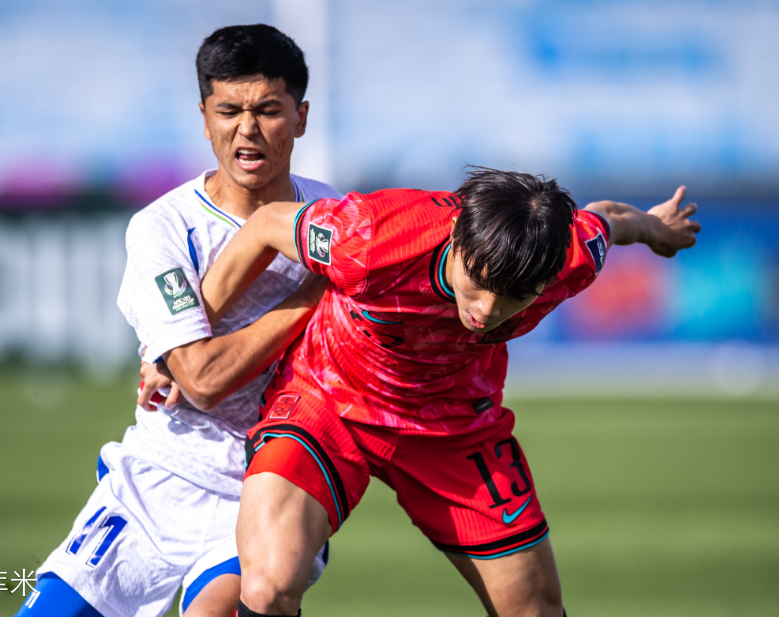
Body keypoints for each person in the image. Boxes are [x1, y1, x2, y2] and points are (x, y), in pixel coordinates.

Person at [197, 167, 701, 617]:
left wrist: (657, 228)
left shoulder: (569, 258)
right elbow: (265, 225)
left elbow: (608, 219)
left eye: (513, 298)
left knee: (535, 609)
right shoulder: (371, 236)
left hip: (456, 427)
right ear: (458, 238)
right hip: (328, 399)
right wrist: (186, 337)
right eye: (478, 283)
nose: (486, 310)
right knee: (267, 588)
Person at [15, 24, 342, 617]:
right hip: (156, 479)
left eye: (268, 109)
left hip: (271, 482)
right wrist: (313, 295)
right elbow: (201, 380)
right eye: (229, 110)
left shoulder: (335, 218)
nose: (247, 129)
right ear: (204, 114)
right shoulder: (163, 228)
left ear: (300, 116)